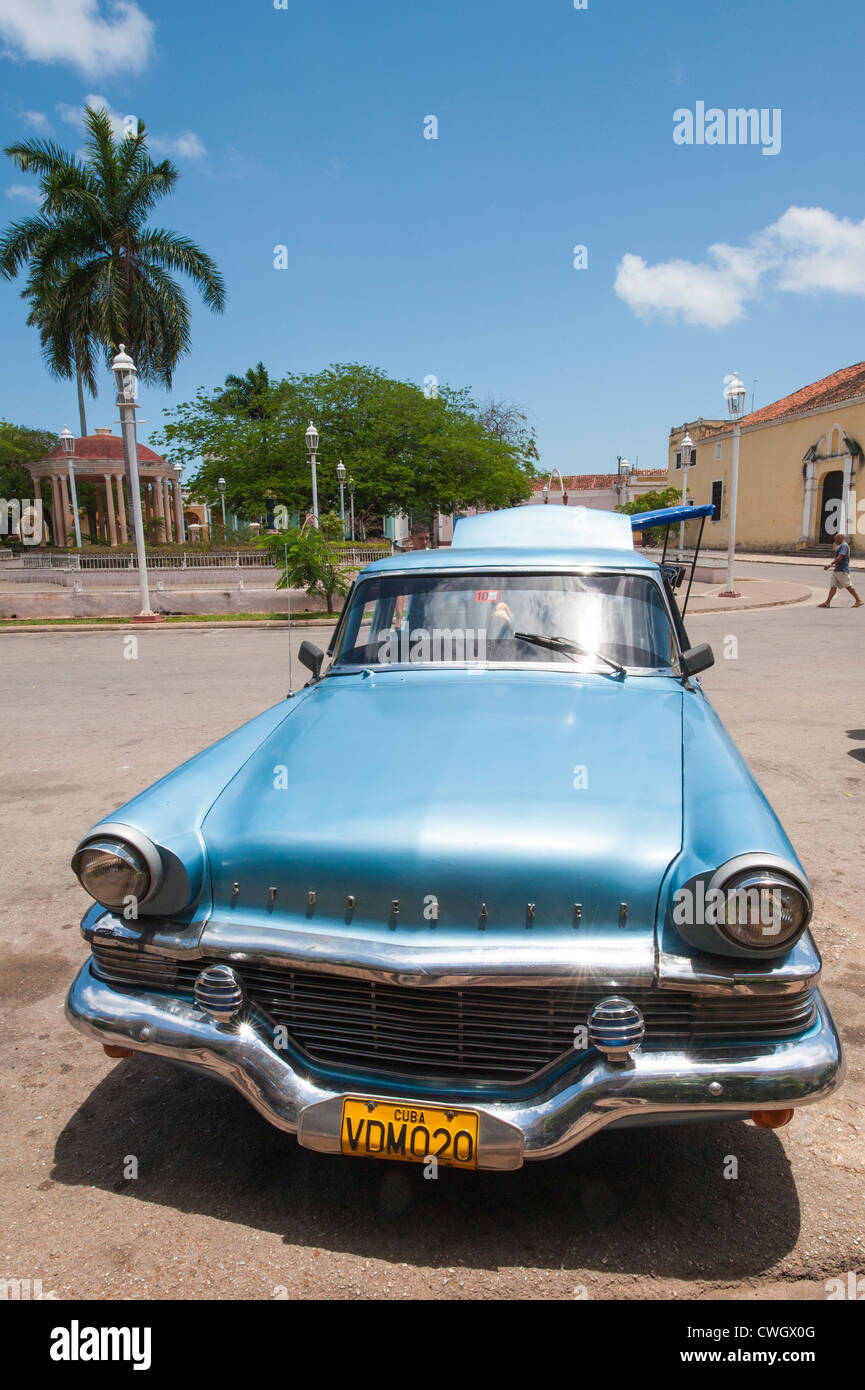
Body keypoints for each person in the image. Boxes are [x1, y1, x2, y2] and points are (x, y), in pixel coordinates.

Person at [818, 533, 863, 608]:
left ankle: (858, 600)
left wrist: (830, 564)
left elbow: (841, 556)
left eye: (836, 539)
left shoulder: (844, 545)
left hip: (842, 570)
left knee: (848, 586)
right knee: (833, 586)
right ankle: (827, 602)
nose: (835, 541)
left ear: (840, 538)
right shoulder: (842, 546)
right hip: (837, 570)